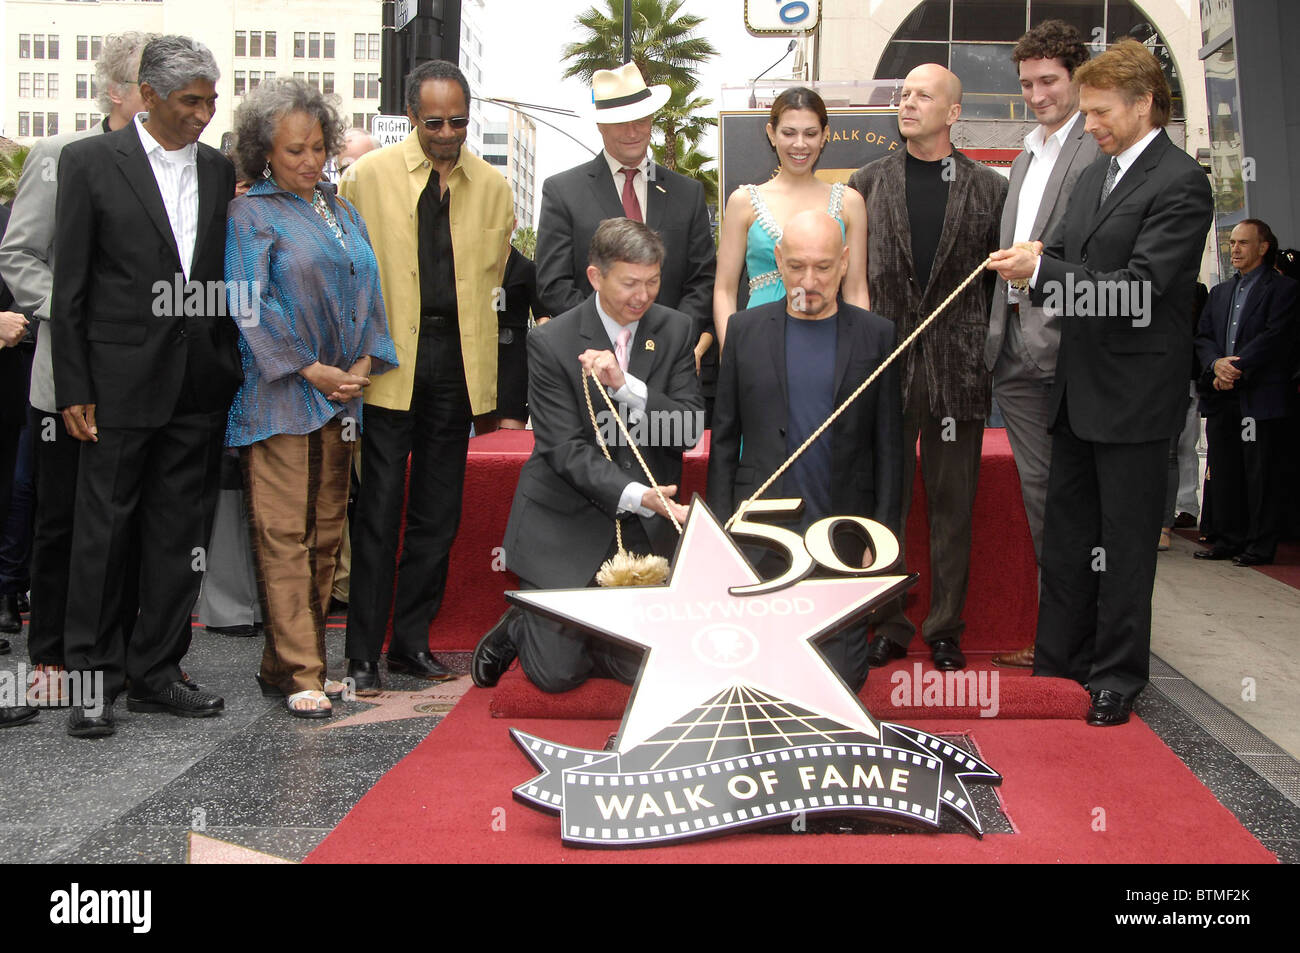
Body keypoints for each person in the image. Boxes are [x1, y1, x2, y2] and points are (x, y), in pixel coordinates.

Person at [989, 39, 1214, 727]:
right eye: (1086, 112)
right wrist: (1036, 257)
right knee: (1067, 539)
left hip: (1136, 402)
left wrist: (1046, 275)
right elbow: (1067, 258)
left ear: (1145, 103)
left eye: (1100, 111)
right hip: (1076, 391)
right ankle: (1062, 660)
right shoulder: (1097, 177)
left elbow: (1138, 293)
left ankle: (1117, 675)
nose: (1089, 125)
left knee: (1122, 548)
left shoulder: (1181, 183)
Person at [52, 35, 243, 737]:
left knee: (177, 534)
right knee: (102, 536)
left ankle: (158, 671)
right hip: (114, 383)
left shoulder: (220, 170)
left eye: (210, 100)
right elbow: (68, 285)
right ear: (151, 95)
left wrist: (224, 361)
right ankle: (93, 682)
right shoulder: (90, 163)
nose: (204, 112)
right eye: (192, 101)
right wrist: (74, 383)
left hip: (196, 386)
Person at [225, 78, 398, 718]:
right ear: (264, 152)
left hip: (342, 393)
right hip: (277, 396)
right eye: (294, 149)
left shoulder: (342, 209)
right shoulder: (251, 212)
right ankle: (305, 671)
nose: (310, 160)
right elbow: (246, 306)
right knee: (282, 535)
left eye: (319, 146)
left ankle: (283, 662)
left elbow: (370, 293)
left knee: (327, 534)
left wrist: (359, 362)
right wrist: (309, 369)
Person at [339, 60, 513, 693]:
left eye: (460, 120)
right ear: (411, 116)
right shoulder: (366, 177)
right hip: (387, 362)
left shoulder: (494, 186)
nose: (447, 133)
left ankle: (411, 642)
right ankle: (362, 651)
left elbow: (494, 278)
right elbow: (347, 274)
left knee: (438, 516)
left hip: (458, 365)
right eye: (435, 121)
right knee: (379, 512)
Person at [471, 218, 703, 693]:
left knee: (647, 670)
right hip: (567, 522)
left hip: (642, 532)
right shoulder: (552, 341)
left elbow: (686, 429)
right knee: (557, 675)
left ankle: (591, 630)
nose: (643, 296)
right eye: (630, 283)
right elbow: (564, 449)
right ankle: (523, 623)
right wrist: (640, 495)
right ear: (596, 277)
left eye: (653, 281)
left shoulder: (676, 330)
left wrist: (629, 387)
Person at [0, 31, 155, 706]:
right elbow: (20, 256)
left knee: (129, 522)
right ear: (122, 92)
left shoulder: (177, 165)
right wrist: (70, 313)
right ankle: (53, 655)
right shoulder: (58, 157)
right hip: (65, 376)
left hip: (144, 379)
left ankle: (114, 655)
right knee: (60, 517)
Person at [849, 63, 1007, 673]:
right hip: (885, 368)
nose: (908, 104)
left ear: (953, 111)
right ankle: (886, 621)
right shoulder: (866, 183)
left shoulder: (990, 190)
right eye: (903, 94)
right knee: (883, 505)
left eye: (923, 96)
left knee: (951, 507)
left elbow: (998, 292)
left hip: (959, 372)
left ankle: (945, 627)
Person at [708, 210, 902, 692]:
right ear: (777, 260)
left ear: (844, 263)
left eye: (821, 267)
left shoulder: (877, 335)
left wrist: (882, 545)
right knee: (758, 677)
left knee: (839, 683)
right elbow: (724, 443)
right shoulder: (745, 332)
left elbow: (891, 451)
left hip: (842, 542)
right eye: (796, 266)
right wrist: (717, 542)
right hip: (761, 542)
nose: (808, 281)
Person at [984, 21, 1099, 668]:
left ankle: (1080, 640)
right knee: (1040, 495)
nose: (1036, 95)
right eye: (1026, 83)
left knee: (1079, 498)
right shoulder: (1024, 157)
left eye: (1049, 81)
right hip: (1015, 348)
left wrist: (1043, 257)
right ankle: (1055, 636)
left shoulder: (1100, 149)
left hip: (1073, 347)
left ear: (1078, 78)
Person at [535, 62, 715, 378]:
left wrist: (668, 338)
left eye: (640, 119)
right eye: (619, 122)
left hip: (668, 365)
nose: (632, 131)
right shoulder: (563, 191)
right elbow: (553, 284)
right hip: (591, 361)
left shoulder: (688, 193)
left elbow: (702, 280)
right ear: (600, 125)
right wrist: (606, 335)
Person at [714, 86, 869, 348]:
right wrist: (732, 353)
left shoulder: (850, 203)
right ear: (771, 134)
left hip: (830, 337)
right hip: (758, 340)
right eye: (788, 133)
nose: (799, 144)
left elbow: (855, 289)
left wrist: (859, 352)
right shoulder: (743, 202)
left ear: (824, 136)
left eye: (810, 133)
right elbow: (724, 290)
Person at [1192, 220, 1297, 567]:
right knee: (1225, 469)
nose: (1234, 249)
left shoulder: (1284, 289)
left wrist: (1235, 367)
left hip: (1259, 397)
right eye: (1232, 242)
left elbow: (1275, 336)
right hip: (1223, 396)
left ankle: (1259, 544)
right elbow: (1203, 336)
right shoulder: (1221, 292)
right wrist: (1215, 365)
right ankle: (1227, 537)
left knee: (1260, 474)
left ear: (1263, 247)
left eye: (1243, 243)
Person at [495, 243, 550, 429]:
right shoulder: (478, 264)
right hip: (481, 355)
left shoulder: (527, 268)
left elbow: (542, 316)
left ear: (514, 223)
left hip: (514, 357)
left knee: (509, 428)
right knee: (481, 439)